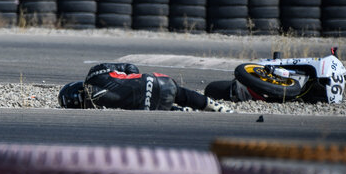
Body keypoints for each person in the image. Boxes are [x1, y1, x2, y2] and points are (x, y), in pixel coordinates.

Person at [58, 63, 233, 112]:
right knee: (181, 93)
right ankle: (219, 108)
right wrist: (133, 81)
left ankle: (184, 112)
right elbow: (131, 68)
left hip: (149, 108)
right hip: (156, 82)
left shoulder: (93, 109)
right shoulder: (94, 72)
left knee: (168, 108)